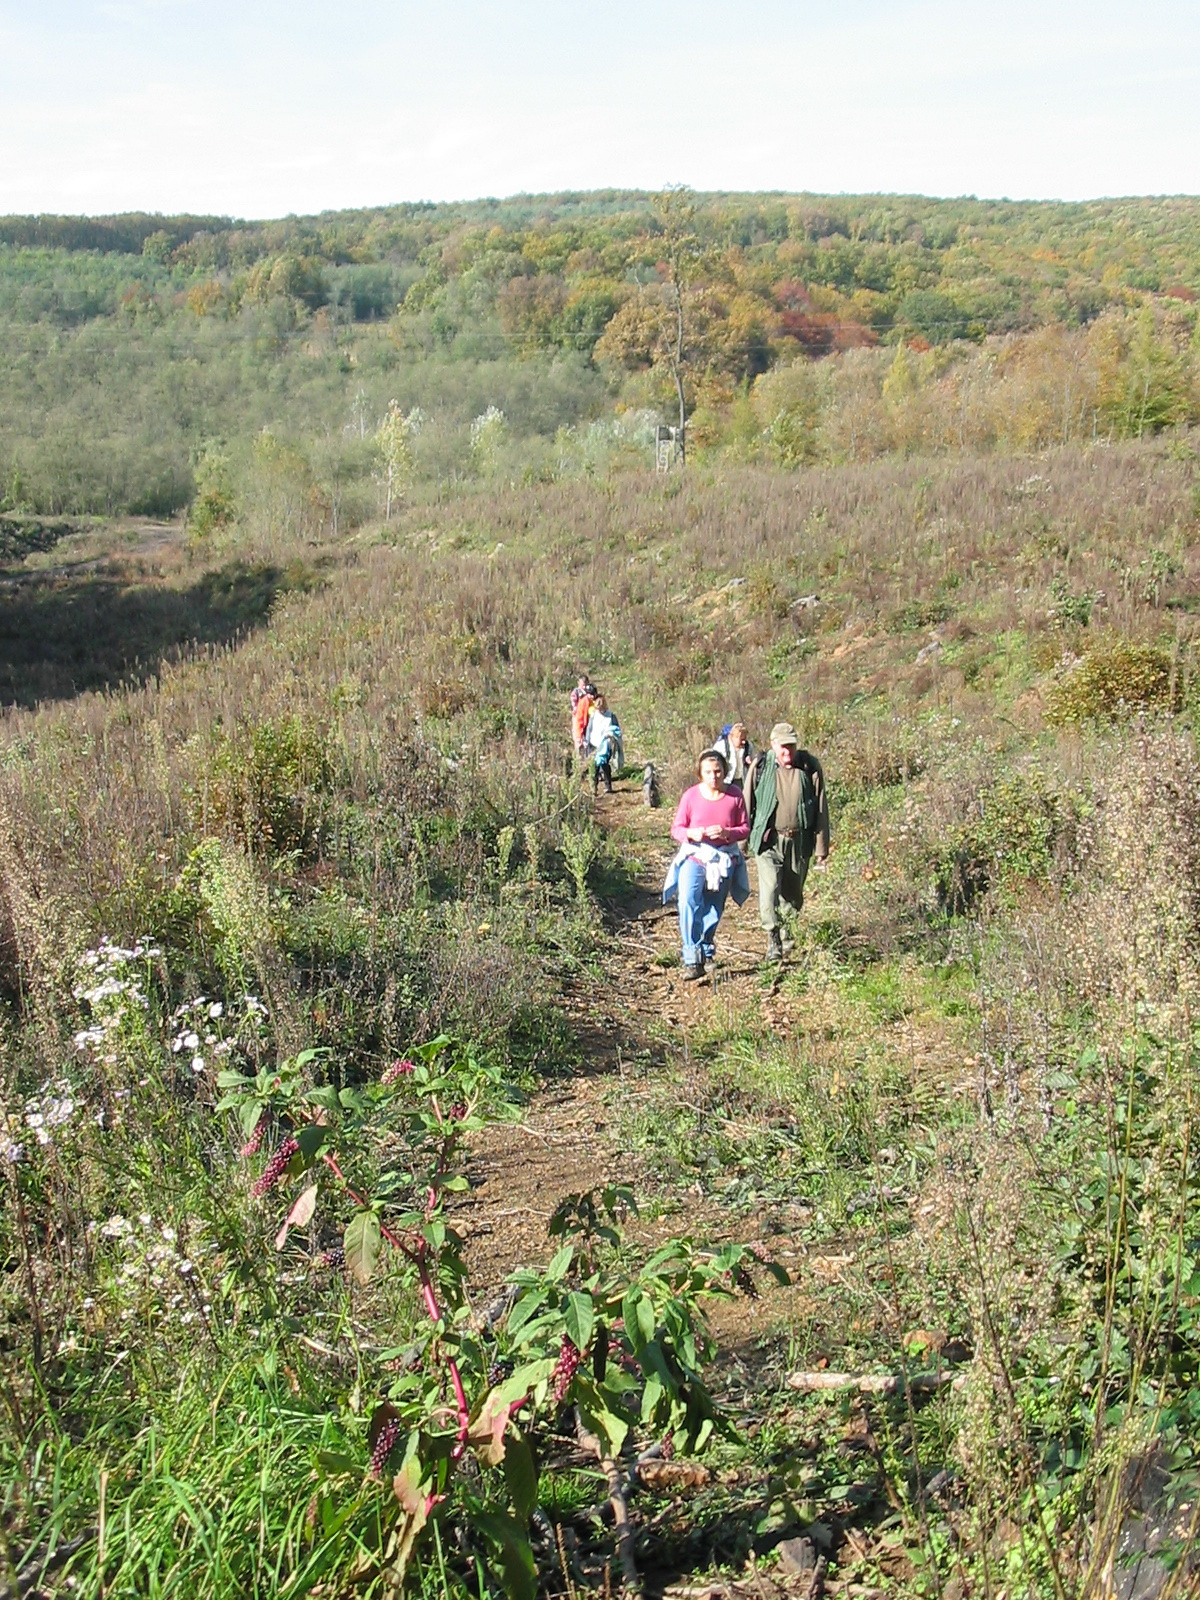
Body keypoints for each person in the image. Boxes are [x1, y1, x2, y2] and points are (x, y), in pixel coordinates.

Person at [744, 721, 830, 962]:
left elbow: (821, 808)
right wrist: (741, 841)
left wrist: (822, 846)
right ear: (773, 745)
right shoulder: (761, 766)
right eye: (782, 747)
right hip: (769, 840)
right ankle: (772, 937)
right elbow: (747, 803)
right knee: (770, 888)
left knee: (793, 895)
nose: (787, 752)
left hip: (799, 840)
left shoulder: (809, 766)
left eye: (791, 747)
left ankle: (788, 935)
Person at [662, 749, 750, 980]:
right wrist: (692, 833)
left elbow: (744, 828)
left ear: (725, 771)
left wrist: (727, 832)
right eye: (708, 772)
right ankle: (691, 957)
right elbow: (677, 829)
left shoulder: (735, 795)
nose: (714, 777)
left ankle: (706, 949)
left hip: (723, 858)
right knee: (688, 900)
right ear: (700, 774)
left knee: (714, 906)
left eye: (718, 771)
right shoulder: (691, 796)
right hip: (695, 855)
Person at [584, 695, 623, 794]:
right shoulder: (594, 716)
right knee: (595, 766)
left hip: (606, 745)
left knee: (604, 764)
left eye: (601, 709)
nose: (600, 711)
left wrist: (611, 735)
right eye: (598, 709)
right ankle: (594, 787)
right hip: (594, 744)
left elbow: (617, 730)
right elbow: (589, 729)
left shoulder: (611, 717)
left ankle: (608, 785)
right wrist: (586, 741)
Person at [712, 722, 754, 788]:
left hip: (742, 781)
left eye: (745, 739)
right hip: (726, 781)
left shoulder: (748, 746)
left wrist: (750, 762)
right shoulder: (720, 747)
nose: (743, 742)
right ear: (732, 737)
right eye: (741, 739)